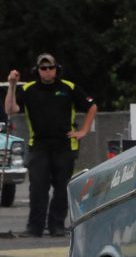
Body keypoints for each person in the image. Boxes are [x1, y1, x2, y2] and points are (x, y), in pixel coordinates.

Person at [5, 53, 97, 237]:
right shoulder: (29, 89)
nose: (47, 72)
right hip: (39, 145)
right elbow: (10, 109)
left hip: (65, 144)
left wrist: (83, 131)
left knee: (62, 187)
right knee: (38, 187)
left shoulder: (68, 87)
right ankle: (35, 227)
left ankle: (57, 226)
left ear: (56, 69)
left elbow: (92, 106)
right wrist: (12, 85)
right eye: (43, 68)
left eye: (50, 68)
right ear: (37, 70)